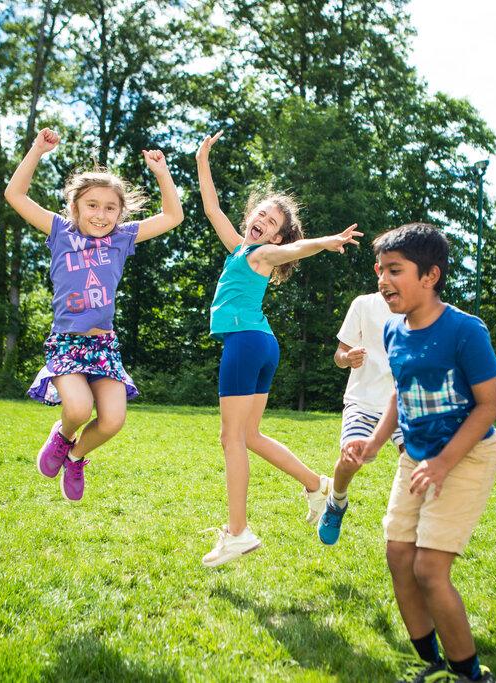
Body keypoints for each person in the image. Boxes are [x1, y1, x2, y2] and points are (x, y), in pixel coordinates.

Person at [343, 224, 496, 683]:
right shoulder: (393, 330)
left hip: (466, 456)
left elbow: (490, 403)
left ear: (430, 276)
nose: (383, 280)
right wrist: (374, 442)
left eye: (395, 270)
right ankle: (428, 661)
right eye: (380, 270)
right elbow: (400, 392)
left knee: (429, 569)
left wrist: (445, 462)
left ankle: (469, 673)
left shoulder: (465, 331)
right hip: (416, 457)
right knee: (398, 554)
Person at [196, 130, 362, 567]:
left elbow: (297, 248)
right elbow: (211, 207)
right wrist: (202, 158)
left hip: (247, 344)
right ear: (249, 215)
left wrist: (325, 242)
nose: (262, 223)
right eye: (260, 215)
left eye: (272, 223)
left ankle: (237, 532)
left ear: (277, 238)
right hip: (262, 344)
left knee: (230, 438)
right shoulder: (239, 248)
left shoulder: (262, 255)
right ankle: (316, 484)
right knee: (249, 435)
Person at [5, 127, 183, 501]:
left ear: (120, 213)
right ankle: (63, 435)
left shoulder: (122, 238)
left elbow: (172, 216)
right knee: (79, 407)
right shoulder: (59, 231)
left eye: (110, 208)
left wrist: (162, 173)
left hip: (104, 346)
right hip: (67, 342)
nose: (101, 215)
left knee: (114, 419)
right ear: (75, 207)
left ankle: (75, 455)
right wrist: (37, 150)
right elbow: (15, 194)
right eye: (92, 205)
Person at [317, 291, 403, 545]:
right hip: (363, 400)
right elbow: (339, 354)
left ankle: (409, 527)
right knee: (351, 457)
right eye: (384, 268)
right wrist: (347, 358)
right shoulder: (363, 304)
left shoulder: (421, 309)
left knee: (416, 461)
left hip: (403, 402)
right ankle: (337, 501)